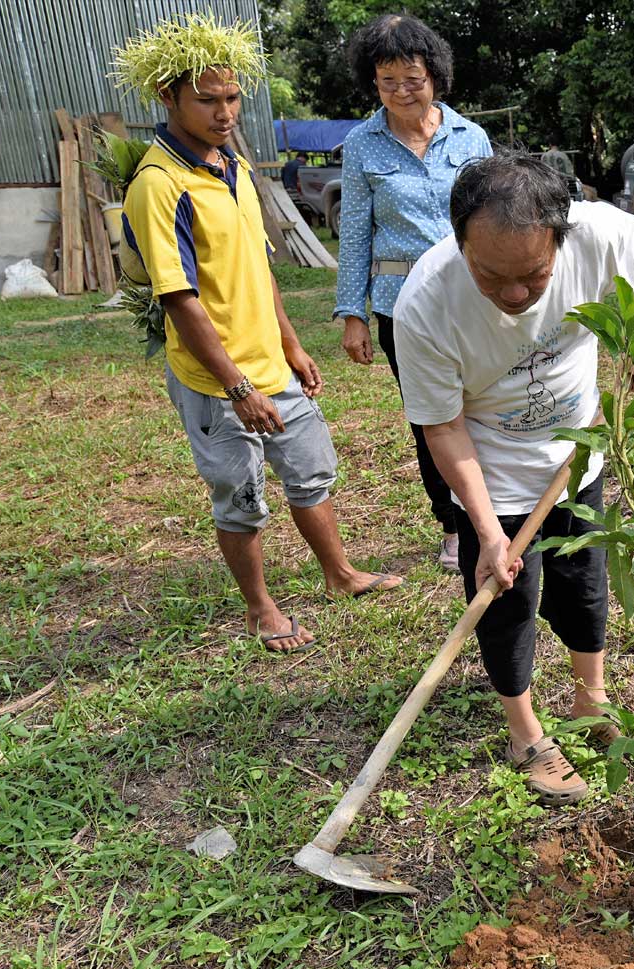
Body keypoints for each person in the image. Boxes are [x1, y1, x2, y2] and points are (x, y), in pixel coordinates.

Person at [115, 16, 401, 655]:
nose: (224, 112)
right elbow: (179, 299)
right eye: (207, 99)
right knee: (240, 494)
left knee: (311, 472)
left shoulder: (233, 166)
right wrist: (237, 385)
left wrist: (291, 343)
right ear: (169, 98)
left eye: (232, 97)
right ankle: (261, 607)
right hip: (218, 381)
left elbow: (256, 264)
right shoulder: (159, 186)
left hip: (271, 362)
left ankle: (339, 573)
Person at [391, 153, 634, 806]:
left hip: (580, 453)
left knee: (584, 585)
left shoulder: (598, 234)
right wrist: (484, 531)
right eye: (492, 276)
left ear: (560, 241)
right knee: (507, 606)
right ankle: (525, 735)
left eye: (534, 277)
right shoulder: (425, 306)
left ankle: (591, 702)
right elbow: (444, 428)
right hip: (492, 473)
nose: (515, 294)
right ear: (458, 242)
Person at [334, 14, 493, 573]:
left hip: (473, 294)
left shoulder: (471, 137)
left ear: (436, 77)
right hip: (402, 304)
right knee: (433, 414)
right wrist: (353, 314)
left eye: (413, 78)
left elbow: (493, 217)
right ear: (372, 83)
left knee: (484, 403)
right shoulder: (361, 145)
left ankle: (491, 508)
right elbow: (354, 232)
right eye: (387, 82)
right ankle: (452, 524)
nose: (402, 91)